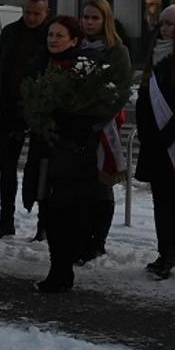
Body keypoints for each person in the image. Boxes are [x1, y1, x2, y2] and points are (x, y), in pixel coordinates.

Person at [27, 16, 118, 293]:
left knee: (66, 213)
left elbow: (99, 108)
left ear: (74, 40)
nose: (53, 40)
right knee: (50, 212)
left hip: (74, 154)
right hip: (46, 149)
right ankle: (58, 270)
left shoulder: (84, 67)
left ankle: (62, 272)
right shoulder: (43, 64)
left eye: (59, 35)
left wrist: (66, 121)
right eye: (50, 35)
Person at [135, 4, 175, 280]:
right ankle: (165, 251)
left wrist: (170, 133)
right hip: (154, 141)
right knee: (160, 200)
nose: (164, 29)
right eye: (162, 24)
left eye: (171, 25)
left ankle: (174, 250)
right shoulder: (153, 57)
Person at [0, 0, 50, 239]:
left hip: (40, 110)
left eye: (36, 13)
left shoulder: (51, 34)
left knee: (40, 168)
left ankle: (43, 224)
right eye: (27, 12)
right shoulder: (10, 32)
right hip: (10, 106)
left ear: (45, 12)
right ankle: (6, 220)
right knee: (6, 167)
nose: (31, 17)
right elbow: (0, 66)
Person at [78, 0, 130, 264]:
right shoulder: (76, 46)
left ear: (105, 20)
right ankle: (80, 236)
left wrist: (99, 117)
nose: (88, 22)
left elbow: (121, 90)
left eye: (94, 18)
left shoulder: (117, 50)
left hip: (103, 124)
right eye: (85, 17)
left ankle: (97, 241)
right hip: (77, 124)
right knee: (80, 184)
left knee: (101, 183)